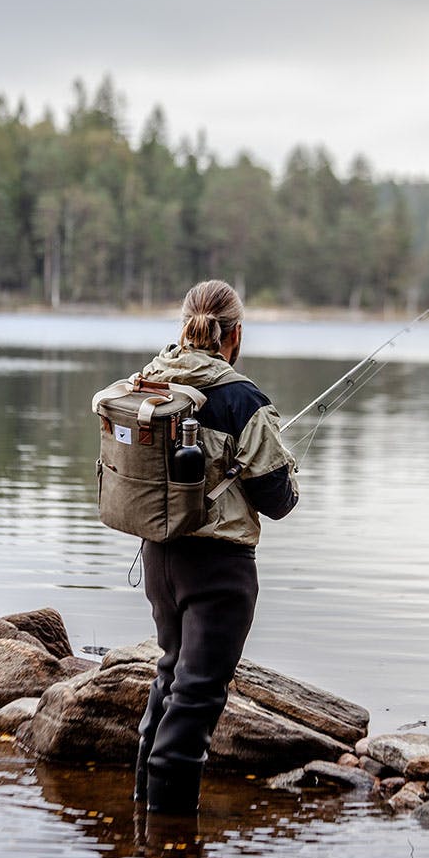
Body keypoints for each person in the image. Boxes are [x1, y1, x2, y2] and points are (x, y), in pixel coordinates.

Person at [135, 279, 299, 815]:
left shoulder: (151, 380)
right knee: (198, 697)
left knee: (172, 676)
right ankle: (170, 840)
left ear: (184, 326)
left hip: (159, 559)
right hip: (219, 572)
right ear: (235, 335)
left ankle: (144, 816)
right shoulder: (241, 399)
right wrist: (288, 473)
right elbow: (277, 500)